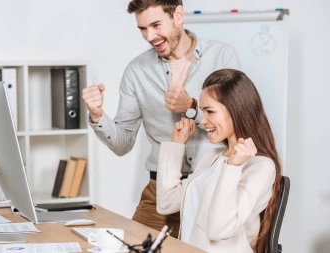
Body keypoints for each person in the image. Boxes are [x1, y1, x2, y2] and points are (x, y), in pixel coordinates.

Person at [82, 0, 240, 237]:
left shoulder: (221, 55)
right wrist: (97, 115)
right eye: (143, 29)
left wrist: (191, 107)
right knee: (133, 245)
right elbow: (123, 143)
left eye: (156, 25)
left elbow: (237, 120)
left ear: (178, 15)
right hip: (160, 189)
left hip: (211, 184)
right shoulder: (137, 71)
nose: (149, 36)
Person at [156, 69, 282, 253]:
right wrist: (176, 145)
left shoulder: (261, 166)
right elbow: (166, 203)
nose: (203, 120)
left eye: (210, 111)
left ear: (236, 110)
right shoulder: (212, 157)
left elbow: (219, 229)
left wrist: (233, 166)